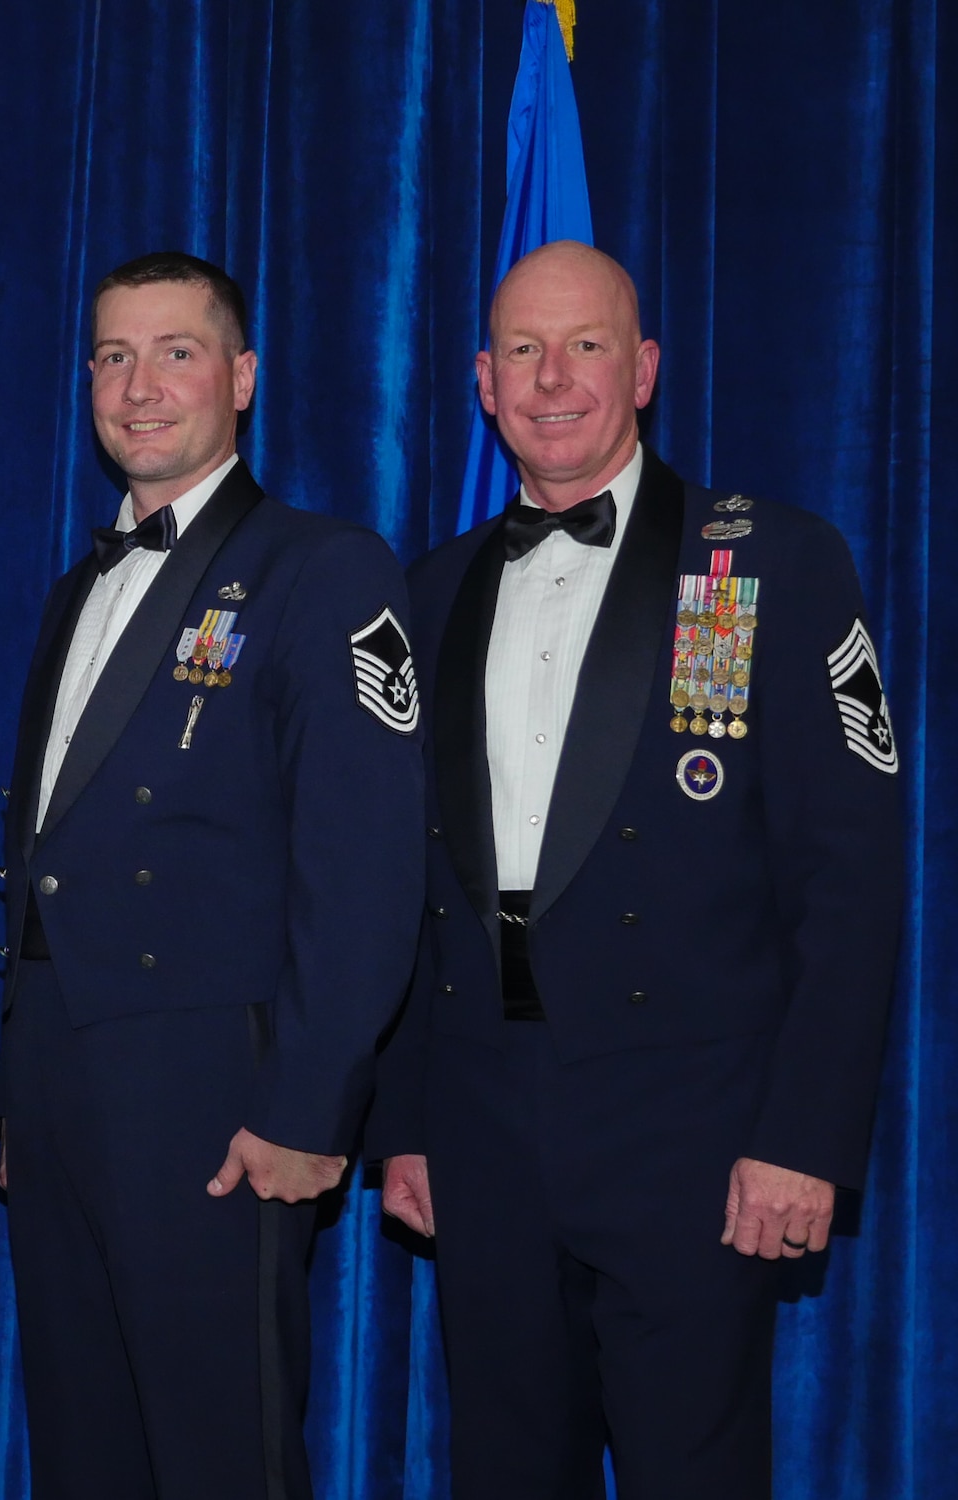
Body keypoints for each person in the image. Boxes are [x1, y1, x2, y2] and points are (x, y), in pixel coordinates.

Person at [369, 241, 905, 1499]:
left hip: (698, 1138)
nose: (553, 378)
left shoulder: (766, 561)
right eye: (521, 351)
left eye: (587, 345)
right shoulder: (430, 591)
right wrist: (402, 1123)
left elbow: (851, 877)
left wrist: (803, 1139)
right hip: (483, 1129)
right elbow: (407, 887)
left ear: (644, 367)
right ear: (481, 384)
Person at [0, 252, 423, 1499]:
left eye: (174, 352)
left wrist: (308, 1106)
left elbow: (364, 864)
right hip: (66, 1093)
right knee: (86, 1451)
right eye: (113, 357)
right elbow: (44, 863)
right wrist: (24, 1099)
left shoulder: (322, 568)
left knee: (217, 1453)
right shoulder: (77, 587)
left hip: (216, 1094)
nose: (139, 387)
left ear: (239, 377)